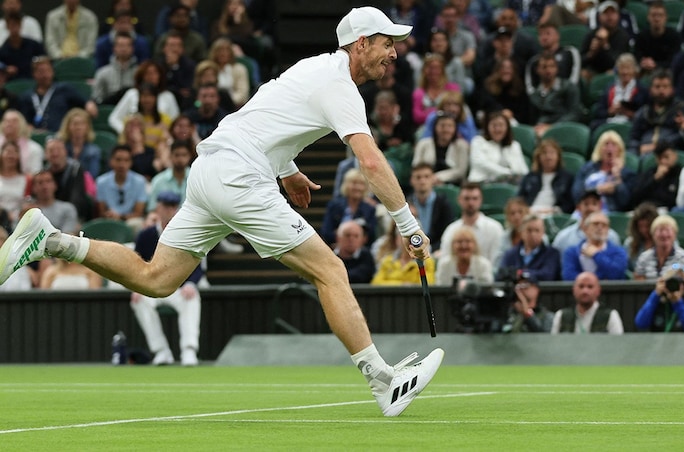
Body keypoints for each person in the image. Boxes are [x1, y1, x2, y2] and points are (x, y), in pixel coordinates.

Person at [0, 7, 443, 417]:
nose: (395, 53)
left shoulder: (311, 68)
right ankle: (383, 381)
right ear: (361, 42)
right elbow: (369, 161)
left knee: (157, 279)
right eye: (388, 42)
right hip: (238, 176)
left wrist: (287, 169)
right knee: (330, 269)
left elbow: (262, 115)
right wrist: (409, 225)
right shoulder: (340, 86)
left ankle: (52, 240)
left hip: (209, 169)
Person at [130, 191, 202, 366]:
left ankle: (189, 350)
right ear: (158, 208)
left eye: (173, 206)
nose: (169, 210)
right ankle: (161, 351)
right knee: (138, 300)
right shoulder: (145, 236)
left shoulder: (187, 233)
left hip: (179, 288)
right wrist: (137, 288)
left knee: (192, 298)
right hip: (152, 288)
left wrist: (191, 283)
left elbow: (197, 266)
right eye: (165, 206)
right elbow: (136, 263)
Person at [18, 56, 98, 133]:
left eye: (47, 71)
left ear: (52, 72)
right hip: (37, 136)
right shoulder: (27, 97)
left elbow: (85, 103)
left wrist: (89, 105)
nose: (45, 75)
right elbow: (25, 122)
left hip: (62, 135)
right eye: (41, 71)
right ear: (34, 74)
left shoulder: (64, 89)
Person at [627, 69, 684, 156]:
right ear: (650, 89)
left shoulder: (680, 109)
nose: (661, 91)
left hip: (670, 153)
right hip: (643, 155)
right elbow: (634, 138)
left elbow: (682, 137)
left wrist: (657, 147)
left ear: (672, 89)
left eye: (665, 87)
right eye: (657, 87)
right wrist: (636, 150)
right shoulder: (644, 112)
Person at [439, 183, 506, 264]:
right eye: (467, 198)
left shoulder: (495, 228)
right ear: (459, 200)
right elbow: (445, 260)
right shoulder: (451, 230)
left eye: (475, 198)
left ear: (481, 200)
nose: (471, 203)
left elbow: (497, 262)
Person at [572, 130, 637, 212]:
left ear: (620, 150)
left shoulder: (627, 174)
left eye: (614, 145)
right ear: (599, 149)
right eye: (606, 144)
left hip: (611, 214)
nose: (609, 149)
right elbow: (577, 194)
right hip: (585, 211)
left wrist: (617, 179)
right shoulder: (586, 169)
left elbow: (626, 203)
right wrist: (597, 190)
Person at [108, 61, 181, 134]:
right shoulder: (132, 94)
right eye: (147, 73)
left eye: (154, 73)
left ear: (160, 76)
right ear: (141, 76)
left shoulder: (168, 96)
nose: (151, 76)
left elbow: (176, 122)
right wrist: (126, 132)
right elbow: (114, 119)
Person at [527, 52, 583, 138]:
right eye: (544, 67)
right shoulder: (535, 94)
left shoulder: (568, 87)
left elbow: (574, 113)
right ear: (537, 70)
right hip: (539, 130)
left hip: (563, 128)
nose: (548, 70)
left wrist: (553, 127)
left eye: (552, 66)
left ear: (557, 68)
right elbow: (531, 119)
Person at [562, 211, 628, 281]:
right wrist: (602, 278)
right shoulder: (571, 252)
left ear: (608, 230)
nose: (600, 228)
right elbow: (569, 277)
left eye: (604, 225)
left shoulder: (619, 252)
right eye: (595, 224)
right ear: (585, 229)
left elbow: (616, 274)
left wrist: (596, 255)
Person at [551, 271, 624, 334]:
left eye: (590, 287)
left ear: (598, 290)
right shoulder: (561, 315)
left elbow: (618, 345)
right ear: (573, 290)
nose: (585, 291)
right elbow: (554, 345)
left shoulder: (611, 315)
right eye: (581, 286)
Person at [635, 266, 684, 332]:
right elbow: (641, 323)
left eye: (682, 282)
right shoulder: (658, 300)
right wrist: (655, 295)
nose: (678, 285)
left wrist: (678, 303)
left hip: (683, 342)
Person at [42, 136, 94, 223]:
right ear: (46, 154)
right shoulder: (44, 173)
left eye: (58, 150)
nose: (55, 154)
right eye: (51, 151)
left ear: (65, 152)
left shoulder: (75, 169)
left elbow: (77, 199)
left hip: (71, 215)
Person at [517, 139, 575, 215]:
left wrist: (554, 210)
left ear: (558, 156)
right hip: (530, 213)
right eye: (544, 153)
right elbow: (519, 200)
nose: (548, 157)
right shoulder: (529, 177)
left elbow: (569, 204)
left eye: (552, 153)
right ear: (538, 157)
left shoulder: (567, 178)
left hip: (553, 214)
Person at [321, 168, 378, 246]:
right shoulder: (334, 206)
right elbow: (326, 232)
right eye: (354, 183)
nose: (357, 187)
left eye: (361, 184)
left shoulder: (369, 209)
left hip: (361, 251)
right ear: (346, 185)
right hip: (335, 247)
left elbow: (371, 236)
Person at [552, 189, 622, 252]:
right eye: (586, 204)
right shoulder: (564, 237)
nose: (590, 208)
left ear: (600, 206)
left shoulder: (612, 237)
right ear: (578, 207)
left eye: (594, 204)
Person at [591, 52, 649, 129]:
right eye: (622, 68)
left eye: (628, 68)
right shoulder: (610, 88)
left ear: (634, 70)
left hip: (631, 123)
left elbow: (646, 114)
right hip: (610, 121)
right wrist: (610, 111)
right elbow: (598, 111)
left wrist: (629, 113)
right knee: (594, 125)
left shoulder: (642, 90)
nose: (625, 72)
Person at [467, 111, 527, 184]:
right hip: (482, 183)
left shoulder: (514, 145)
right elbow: (480, 163)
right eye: (494, 125)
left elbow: (523, 169)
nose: (497, 129)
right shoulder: (478, 141)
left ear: (507, 127)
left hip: (510, 183)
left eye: (501, 125)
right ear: (487, 127)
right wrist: (507, 173)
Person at [498, 213, 561, 282]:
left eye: (537, 230)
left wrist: (520, 274)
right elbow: (501, 275)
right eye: (529, 230)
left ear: (543, 232)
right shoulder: (510, 254)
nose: (533, 234)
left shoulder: (551, 253)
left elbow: (547, 275)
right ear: (521, 232)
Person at [411, 112, 469, 185]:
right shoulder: (423, 144)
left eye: (450, 126)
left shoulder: (461, 145)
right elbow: (416, 166)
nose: (446, 130)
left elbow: (461, 171)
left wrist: (438, 177)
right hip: (426, 182)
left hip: (454, 183)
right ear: (435, 127)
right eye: (442, 126)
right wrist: (428, 177)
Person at [407, 163, 453, 253]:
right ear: (412, 180)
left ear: (433, 179)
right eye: (418, 177)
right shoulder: (406, 205)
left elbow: (448, 233)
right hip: (411, 251)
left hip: (438, 251)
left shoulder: (443, 204)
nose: (422, 181)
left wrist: (432, 249)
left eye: (426, 177)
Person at [633, 214, 684, 279]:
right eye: (660, 230)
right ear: (653, 234)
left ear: (675, 234)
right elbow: (638, 281)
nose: (664, 234)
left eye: (668, 230)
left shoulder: (683, 257)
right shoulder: (644, 257)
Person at [92, 31, 139, 106]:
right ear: (114, 48)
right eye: (120, 45)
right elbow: (97, 98)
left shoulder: (139, 72)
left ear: (132, 48)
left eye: (127, 45)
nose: (123, 49)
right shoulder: (102, 73)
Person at [630, 141, 682, 210]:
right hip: (644, 208)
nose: (663, 161)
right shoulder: (651, 172)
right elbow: (635, 196)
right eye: (659, 158)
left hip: (666, 211)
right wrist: (655, 179)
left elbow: (673, 200)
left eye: (666, 157)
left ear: (675, 156)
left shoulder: (681, 173)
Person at [633, 1, 681, 73]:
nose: (657, 19)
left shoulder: (674, 36)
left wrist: (655, 64)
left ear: (666, 18)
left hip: (666, 72)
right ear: (648, 17)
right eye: (653, 15)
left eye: (660, 15)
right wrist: (644, 63)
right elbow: (637, 57)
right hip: (644, 71)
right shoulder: (641, 36)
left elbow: (674, 61)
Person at [56, 108, 102, 179]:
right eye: (75, 124)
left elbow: (92, 175)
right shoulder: (60, 148)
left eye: (82, 124)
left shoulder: (94, 151)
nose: (78, 127)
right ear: (68, 126)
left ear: (87, 127)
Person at [147, 140, 192, 212]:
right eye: (177, 155)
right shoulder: (158, 180)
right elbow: (152, 208)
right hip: (165, 220)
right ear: (170, 156)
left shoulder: (196, 179)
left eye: (184, 155)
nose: (180, 159)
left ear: (189, 156)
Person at [206, 37, 251, 108]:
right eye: (220, 50)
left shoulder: (239, 69)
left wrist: (226, 102)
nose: (223, 53)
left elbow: (242, 94)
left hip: (234, 106)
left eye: (226, 50)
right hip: (211, 105)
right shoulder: (208, 68)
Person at [0, 12, 45, 80]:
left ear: (21, 25)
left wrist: (37, 65)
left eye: (16, 24)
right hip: (12, 82)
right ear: (7, 26)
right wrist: (6, 69)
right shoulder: (3, 50)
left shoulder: (33, 45)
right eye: (11, 24)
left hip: (34, 79)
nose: (14, 28)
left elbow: (44, 58)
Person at [0, 109, 43, 175]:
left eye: (14, 121)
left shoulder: (34, 149)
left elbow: (36, 175)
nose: (9, 124)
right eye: (7, 121)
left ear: (22, 125)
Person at [334, 220, 375, 284]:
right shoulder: (328, 255)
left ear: (362, 239)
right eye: (347, 235)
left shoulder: (366, 256)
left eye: (356, 236)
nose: (351, 239)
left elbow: (361, 276)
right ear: (338, 237)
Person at [0, 141, 29, 226]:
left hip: (18, 221)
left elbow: (28, 202)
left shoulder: (27, 179)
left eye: (15, 152)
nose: (11, 156)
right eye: (8, 152)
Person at [624, 202, 659, 272]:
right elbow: (627, 269)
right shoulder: (629, 243)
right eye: (641, 226)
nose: (644, 230)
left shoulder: (666, 240)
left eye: (647, 226)